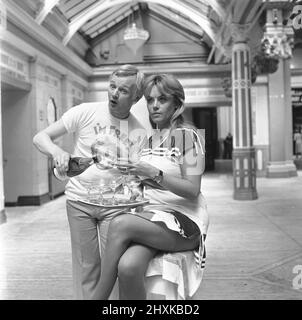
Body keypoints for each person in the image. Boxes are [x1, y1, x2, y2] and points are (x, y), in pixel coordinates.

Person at [33, 64, 146, 299]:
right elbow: (40, 137)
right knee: (86, 265)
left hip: (116, 207)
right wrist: (57, 153)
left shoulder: (139, 132)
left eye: (123, 90)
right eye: (112, 86)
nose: (114, 93)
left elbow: (137, 178)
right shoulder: (85, 111)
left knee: (112, 266)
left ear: (136, 97)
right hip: (79, 202)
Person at [92, 74, 209, 300]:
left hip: (184, 220)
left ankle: (97, 298)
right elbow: (147, 183)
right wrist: (131, 175)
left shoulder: (187, 136)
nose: (154, 105)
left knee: (120, 223)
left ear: (177, 103)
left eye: (162, 99)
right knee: (128, 266)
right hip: (152, 217)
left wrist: (153, 173)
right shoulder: (149, 140)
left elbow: (192, 189)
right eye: (149, 100)